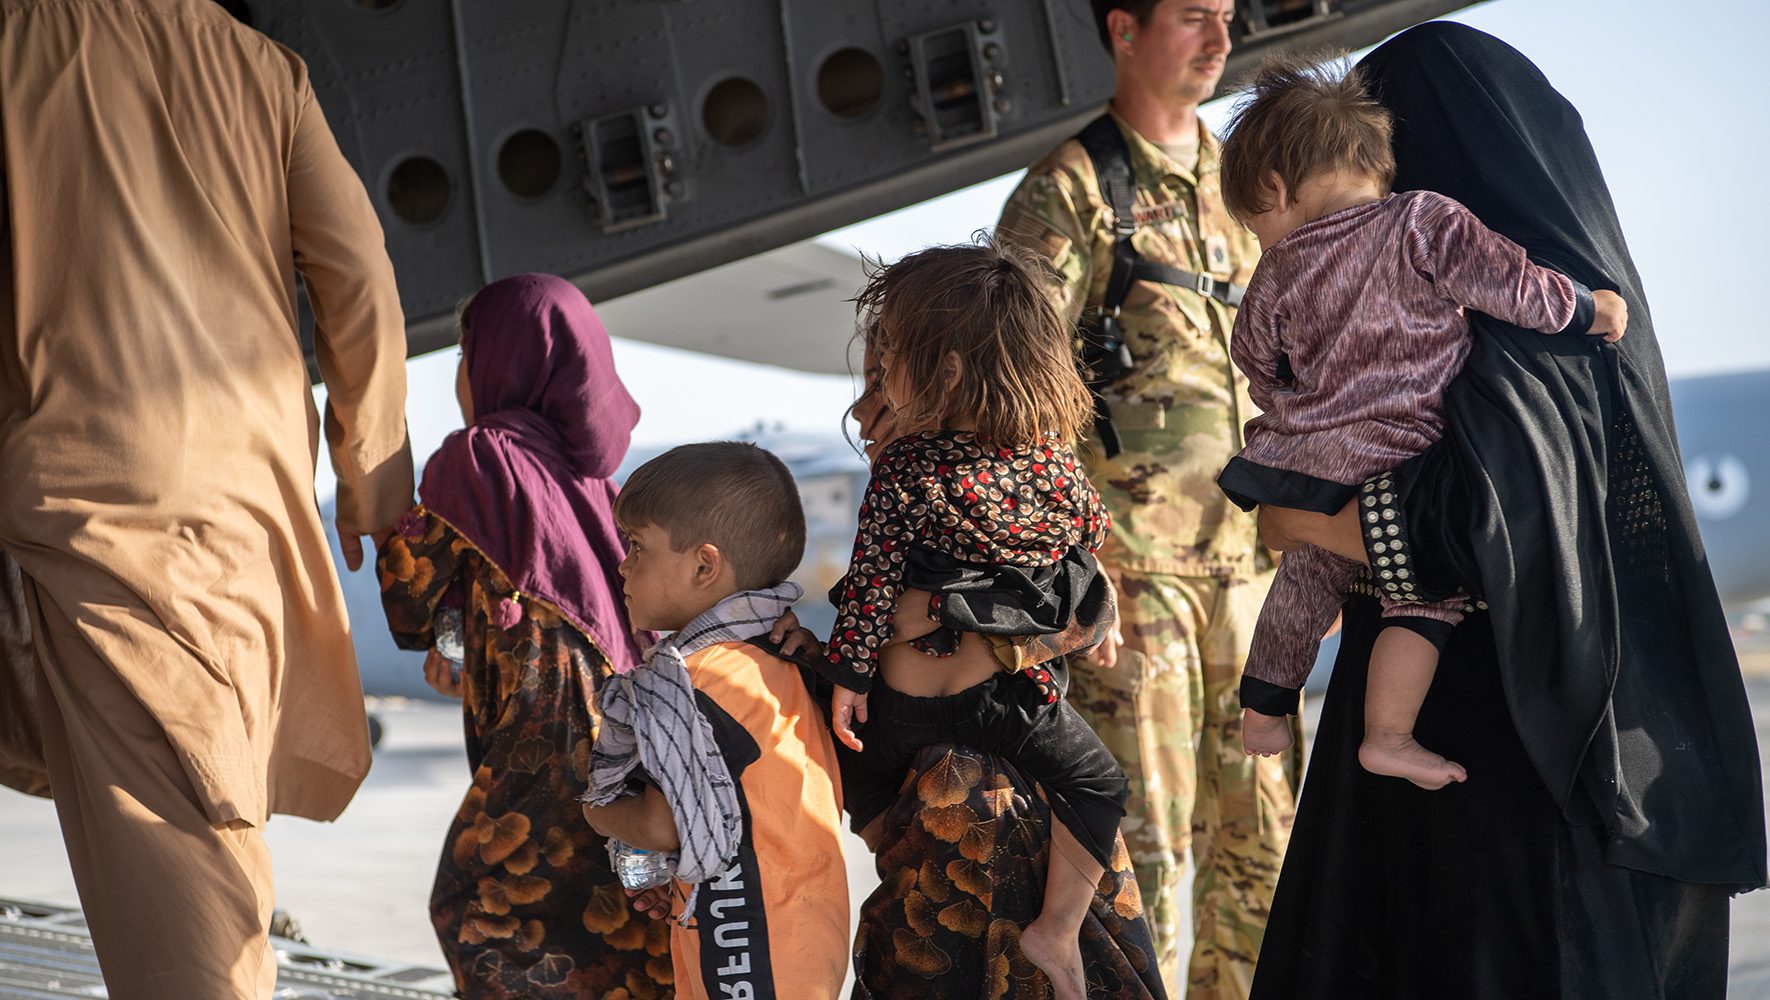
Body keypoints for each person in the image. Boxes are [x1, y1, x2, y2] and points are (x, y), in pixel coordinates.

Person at [1245, 24, 1768, 998]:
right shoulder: (1583, 319)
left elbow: (1468, 532)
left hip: (1514, 817)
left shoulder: (1515, 348)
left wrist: (1298, 521)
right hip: (1598, 786)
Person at [0, 2, 414, 995]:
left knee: (178, 848)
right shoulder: (263, 68)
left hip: (101, 501)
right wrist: (373, 475)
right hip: (247, 492)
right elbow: (356, 274)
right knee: (201, 787)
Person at [1211, 57, 1627, 790]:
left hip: (1312, 454)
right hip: (1407, 451)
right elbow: (1512, 286)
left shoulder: (1275, 274)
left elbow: (1253, 358)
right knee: (1424, 594)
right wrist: (1590, 309)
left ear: (1274, 188)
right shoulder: (1422, 219)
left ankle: (1265, 706)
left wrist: (1292, 417)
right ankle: (1388, 734)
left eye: (1254, 223)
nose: (1260, 240)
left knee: (1306, 573)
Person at [995, 2, 1299, 994]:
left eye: (1227, 17)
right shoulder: (1071, 192)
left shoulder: (1244, 182)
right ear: (1123, 28)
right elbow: (1014, 404)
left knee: (1266, 853)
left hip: (1250, 573)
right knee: (1153, 856)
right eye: (1191, 17)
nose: (1219, 40)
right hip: (1135, 581)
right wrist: (1072, 569)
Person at [816, 242, 1128, 1000]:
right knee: (1099, 783)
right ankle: (1056, 929)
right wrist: (1095, 605)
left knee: (849, 794)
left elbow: (871, 587)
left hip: (906, 707)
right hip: (1012, 709)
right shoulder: (1054, 465)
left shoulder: (905, 468)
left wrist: (848, 678)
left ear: (947, 371)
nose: (882, 376)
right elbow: (1091, 536)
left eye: (892, 355)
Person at [375, 274, 670, 997]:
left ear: (502, 359)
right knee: (618, 940)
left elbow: (408, 605)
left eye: (464, 352)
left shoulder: (478, 458)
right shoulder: (600, 485)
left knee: (486, 915)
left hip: (554, 740)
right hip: (631, 739)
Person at [583, 441, 850, 1000]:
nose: (622, 563)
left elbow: (663, 825)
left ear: (704, 564)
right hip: (802, 942)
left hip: (744, 954)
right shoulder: (782, 659)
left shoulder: (692, 680)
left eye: (637, 546)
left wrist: (599, 814)